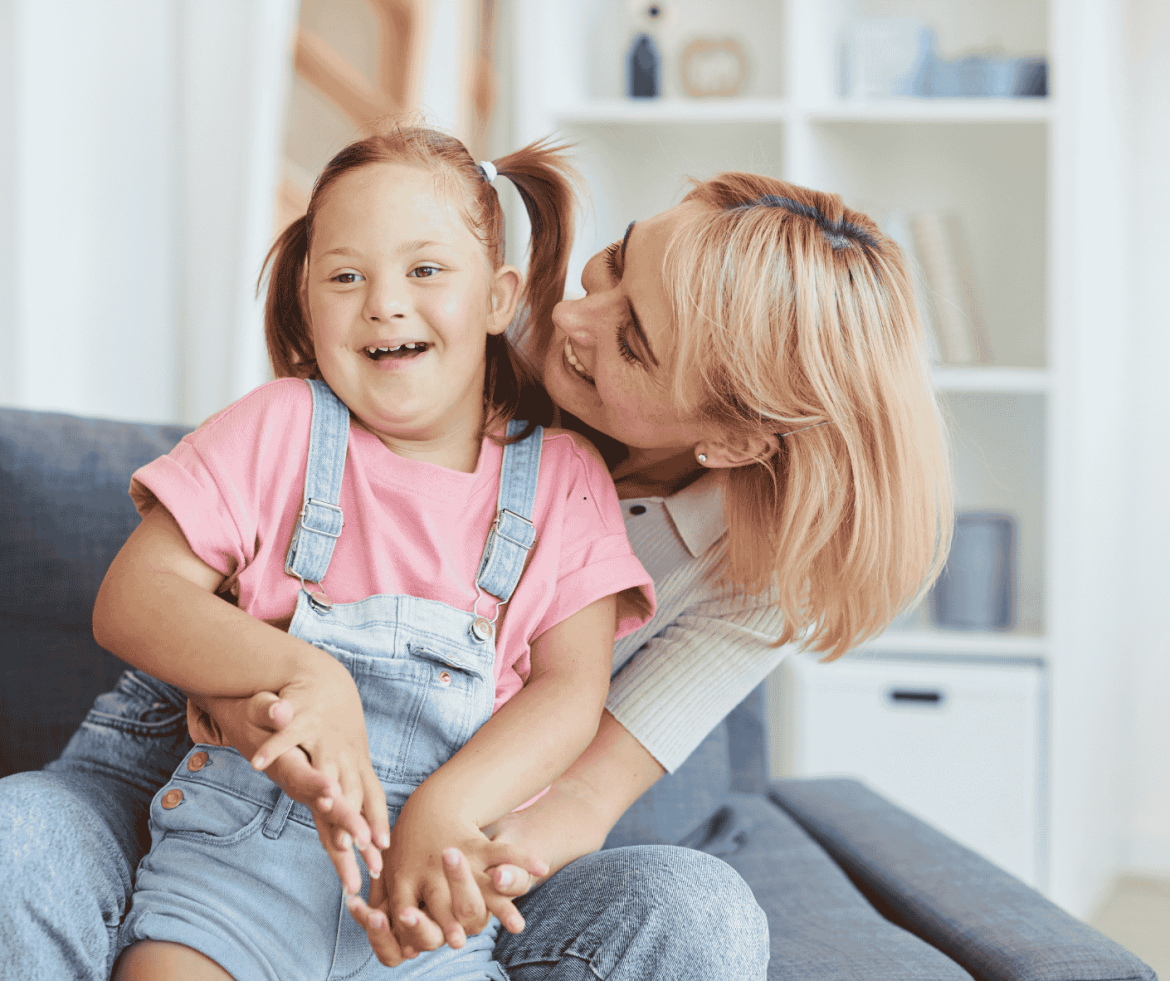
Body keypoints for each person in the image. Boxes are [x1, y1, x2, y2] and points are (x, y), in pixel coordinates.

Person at [0, 156, 951, 981]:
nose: (569, 313)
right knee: (21, 835)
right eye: (614, 262)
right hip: (216, 750)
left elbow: (580, 781)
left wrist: (449, 857)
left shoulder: (713, 560)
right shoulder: (438, 329)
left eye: (632, 340)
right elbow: (178, 589)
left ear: (735, 440)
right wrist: (276, 688)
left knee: (701, 909)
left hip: (453, 818)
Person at [91, 126, 656, 981]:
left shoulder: (563, 479)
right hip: (230, 885)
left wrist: (446, 807)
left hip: (425, 909)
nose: (384, 303)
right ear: (307, 301)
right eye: (346, 276)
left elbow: (570, 689)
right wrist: (309, 673)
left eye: (425, 270)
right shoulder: (279, 425)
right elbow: (134, 598)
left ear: (498, 297)